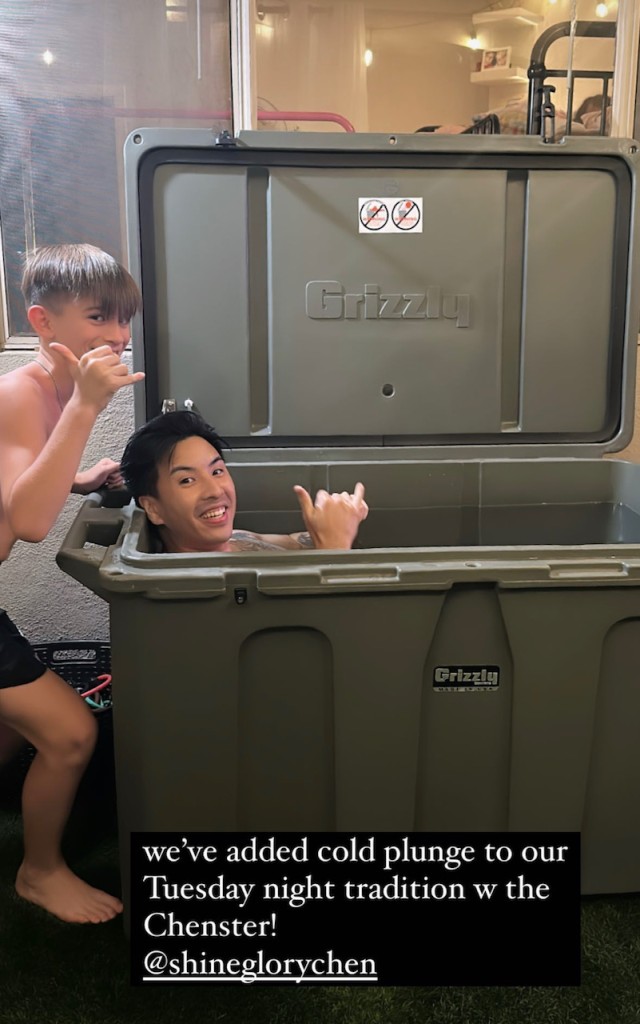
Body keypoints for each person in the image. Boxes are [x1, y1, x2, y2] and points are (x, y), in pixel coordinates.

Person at [0, 243, 145, 924]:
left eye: (123, 320)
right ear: (43, 322)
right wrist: (88, 407)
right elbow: (27, 521)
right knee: (69, 735)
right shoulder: (22, 392)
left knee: (7, 727)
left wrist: (80, 478)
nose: (117, 335)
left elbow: (22, 483)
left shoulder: (50, 391)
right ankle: (40, 870)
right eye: (98, 317)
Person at [120, 411, 369, 553]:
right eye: (187, 480)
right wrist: (335, 547)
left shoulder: (236, 541)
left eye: (217, 471)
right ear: (153, 508)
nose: (215, 491)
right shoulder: (192, 590)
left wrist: (339, 518)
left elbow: (298, 542)